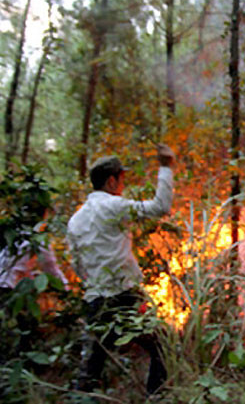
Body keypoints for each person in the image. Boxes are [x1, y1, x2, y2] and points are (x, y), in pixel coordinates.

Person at [67, 145, 175, 395]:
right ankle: (155, 398)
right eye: (122, 179)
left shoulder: (75, 220)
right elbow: (160, 207)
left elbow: (77, 265)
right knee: (162, 346)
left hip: (95, 301)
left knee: (92, 367)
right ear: (112, 181)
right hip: (124, 297)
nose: (123, 186)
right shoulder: (113, 206)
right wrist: (166, 167)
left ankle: (84, 399)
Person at [0, 204, 68, 362]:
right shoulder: (38, 240)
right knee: (25, 328)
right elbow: (51, 269)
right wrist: (67, 290)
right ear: (43, 217)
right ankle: (25, 365)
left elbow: (13, 265)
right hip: (4, 291)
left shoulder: (11, 236)